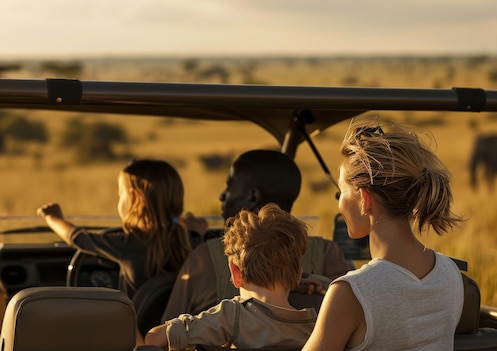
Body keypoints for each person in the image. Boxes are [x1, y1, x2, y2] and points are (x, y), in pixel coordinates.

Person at [302, 119, 466, 351]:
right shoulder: (450, 273)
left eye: (342, 192)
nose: (338, 202)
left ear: (365, 199)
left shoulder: (351, 291)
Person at [160, 149, 354, 322]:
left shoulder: (205, 258)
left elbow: (167, 332)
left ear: (252, 197)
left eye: (229, 186)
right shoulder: (327, 254)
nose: (222, 196)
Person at [144, 203, 317, 349]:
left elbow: (155, 338)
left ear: (235, 273)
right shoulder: (315, 325)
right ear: (298, 275)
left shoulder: (233, 316)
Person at [36, 159, 192, 297]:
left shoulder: (129, 244)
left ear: (135, 198)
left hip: (135, 330)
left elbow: (78, 238)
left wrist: (52, 218)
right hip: (177, 329)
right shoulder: (190, 240)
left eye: (120, 195)